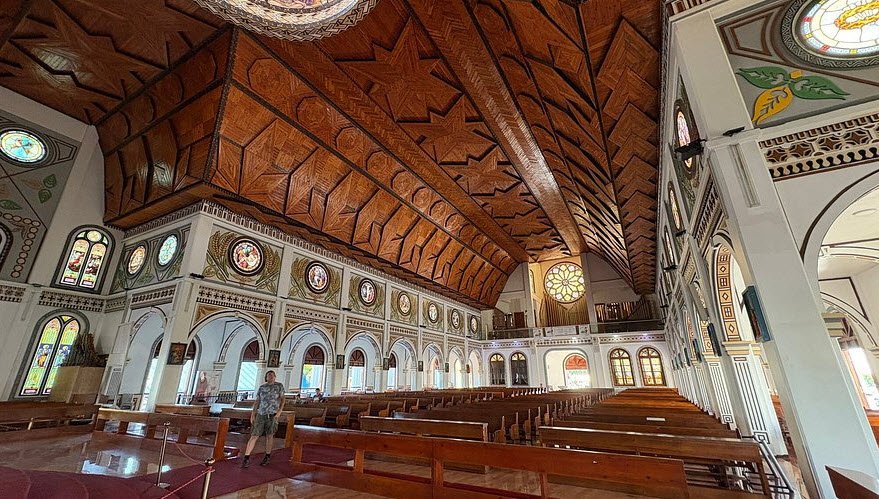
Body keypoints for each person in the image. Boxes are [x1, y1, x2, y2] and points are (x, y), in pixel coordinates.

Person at [241, 370, 285, 468]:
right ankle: (246, 457)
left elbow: (283, 399)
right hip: (261, 413)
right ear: (266, 377)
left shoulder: (279, 386)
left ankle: (267, 456)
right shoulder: (262, 387)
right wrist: (253, 413)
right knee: (254, 435)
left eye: (272, 375)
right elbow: (257, 401)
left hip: (273, 414)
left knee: (270, 435)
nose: (271, 377)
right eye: (269, 375)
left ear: (275, 377)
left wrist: (279, 411)